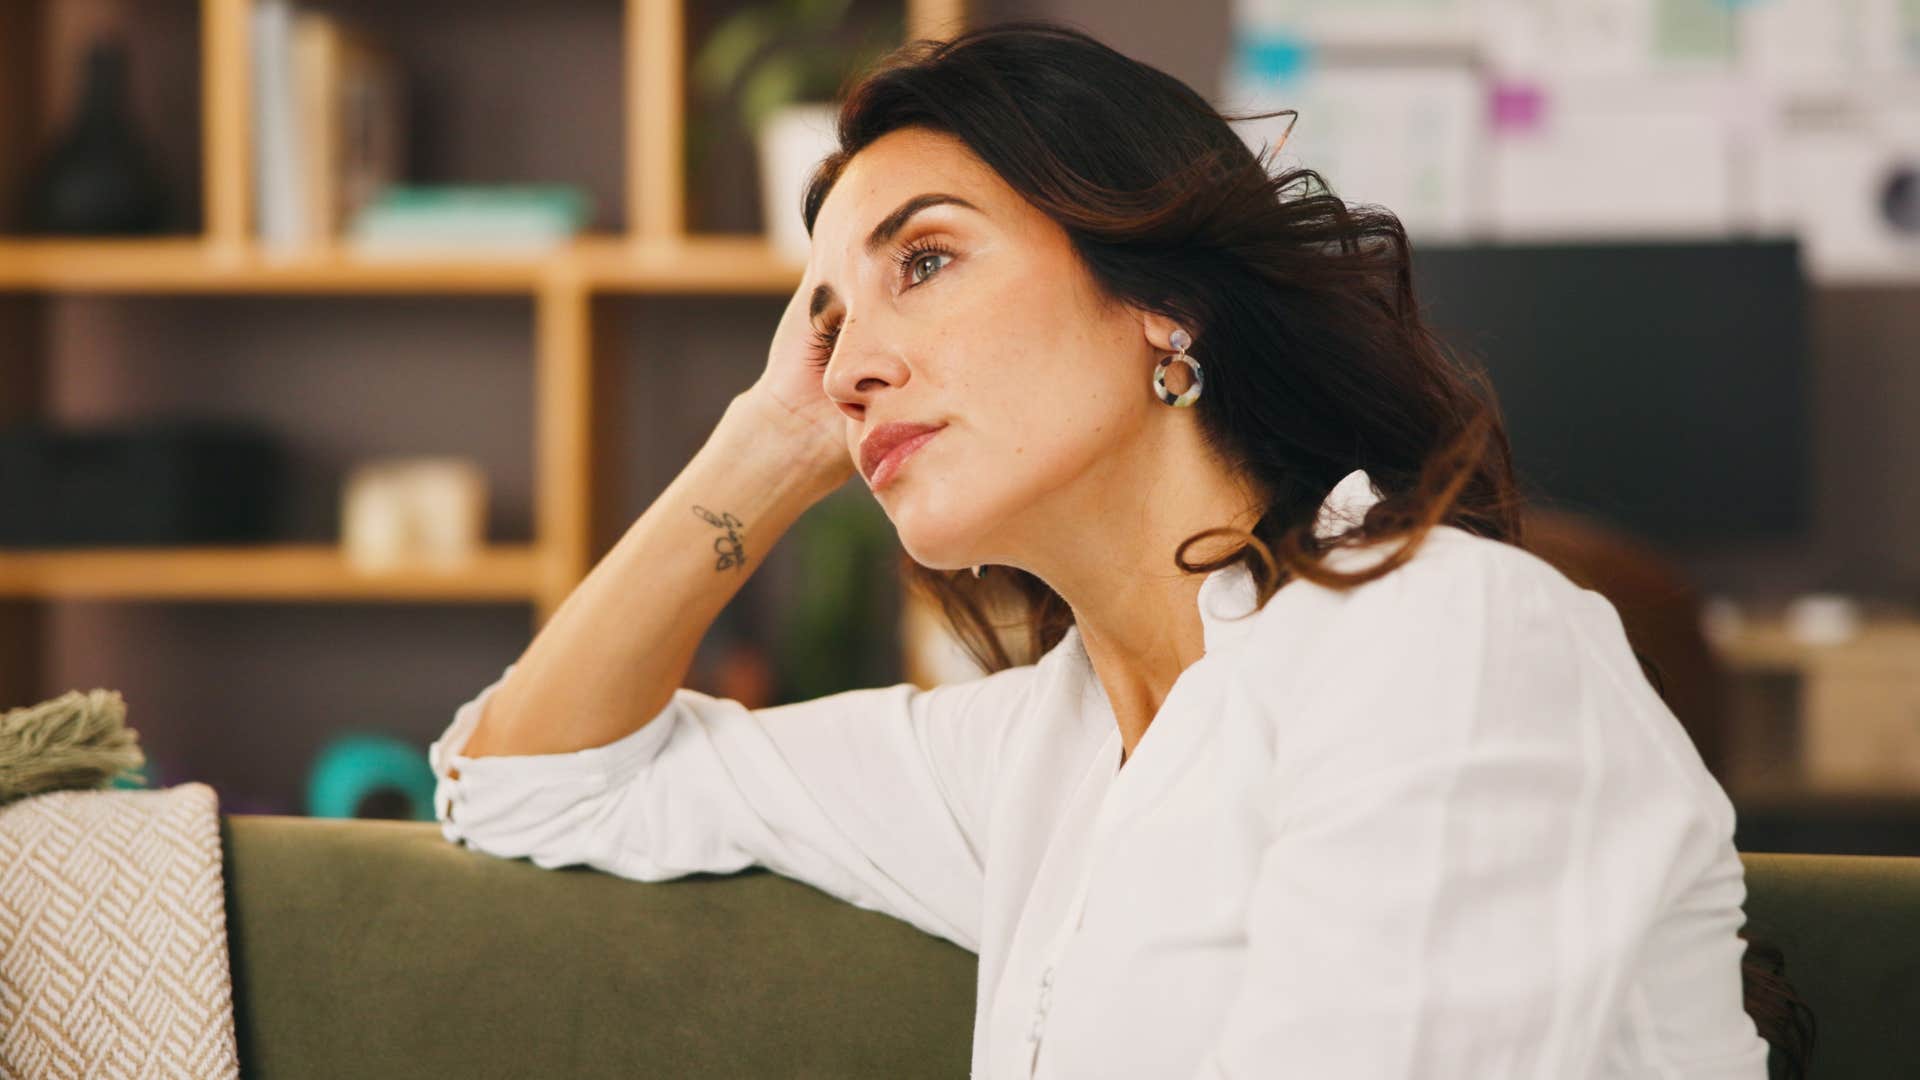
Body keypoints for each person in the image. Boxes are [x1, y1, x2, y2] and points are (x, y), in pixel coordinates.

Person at [429, 21, 1803, 1079]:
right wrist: (771, 438)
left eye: (924, 262)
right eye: (834, 321)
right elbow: (533, 791)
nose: (851, 366)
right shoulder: (1038, 752)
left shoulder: (1437, 641)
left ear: (1161, 302)